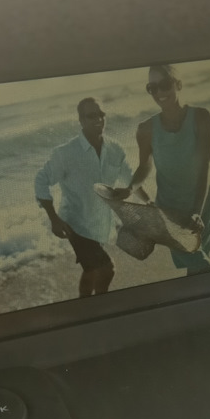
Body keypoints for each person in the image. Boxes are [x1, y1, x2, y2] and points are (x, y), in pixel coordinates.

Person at [116, 64, 210, 274]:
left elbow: (205, 165)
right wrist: (130, 188)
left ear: (178, 84)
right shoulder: (145, 129)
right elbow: (144, 166)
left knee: (197, 269)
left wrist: (197, 212)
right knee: (203, 266)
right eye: (152, 88)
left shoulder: (201, 117)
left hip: (201, 203)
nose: (159, 92)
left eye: (165, 84)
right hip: (169, 211)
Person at [35, 97, 132, 297]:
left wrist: (133, 193)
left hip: (99, 223)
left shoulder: (115, 148)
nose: (98, 119)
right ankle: (99, 308)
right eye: (91, 116)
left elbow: (131, 178)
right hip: (75, 224)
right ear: (81, 120)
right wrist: (54, 219)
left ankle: (84, 303)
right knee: (107, 269)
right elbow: (41, 180)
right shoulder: (66, 153)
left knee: (91, 271)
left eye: (101, 114)